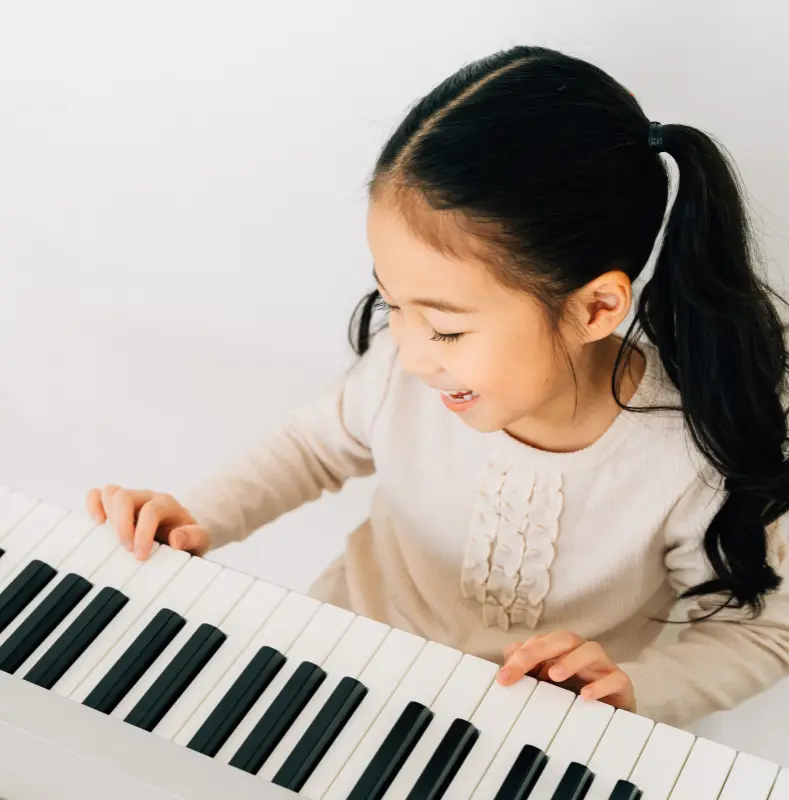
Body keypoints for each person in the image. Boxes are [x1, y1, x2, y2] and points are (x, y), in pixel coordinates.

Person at [86, 45, 789, 729]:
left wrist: (633, 686)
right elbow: (311, 447)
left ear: (595, 309)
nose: (414, 356)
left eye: (447, 330)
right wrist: (200, 516)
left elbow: (763, 635)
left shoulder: (688, 458)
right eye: (393, 304)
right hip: (336, 661)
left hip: (516, 728)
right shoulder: (401, 368)